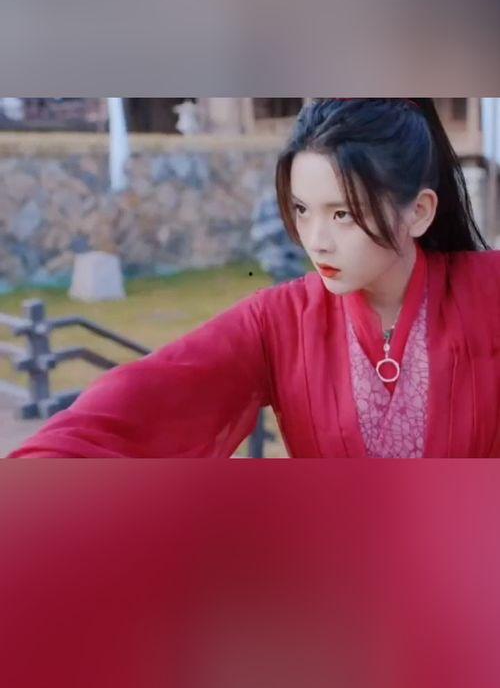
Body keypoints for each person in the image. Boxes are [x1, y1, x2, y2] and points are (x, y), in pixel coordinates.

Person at [8, 98, 500, 458]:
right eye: (302, 210)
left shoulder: (488, 290)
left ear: (419, 212)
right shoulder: (278, 322)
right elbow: (134, 403)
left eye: (343, 214)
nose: (315, 241)